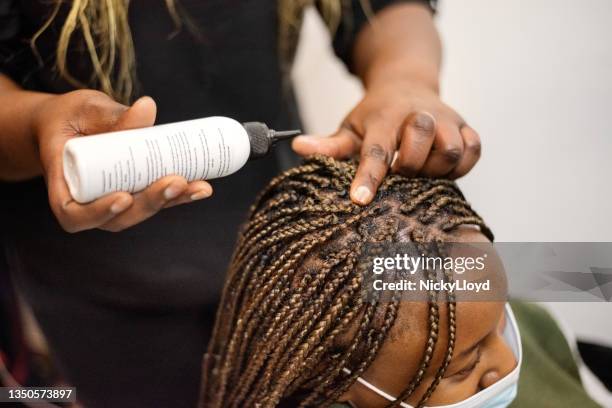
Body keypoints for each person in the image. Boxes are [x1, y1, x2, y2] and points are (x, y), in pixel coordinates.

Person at [0, 1, 481, 406]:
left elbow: (385, 8)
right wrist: (35, 125)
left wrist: (405, 77)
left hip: (288, 255)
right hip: (100, 286)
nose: (501, 370)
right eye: (474, 360)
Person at [200, 156, 600, 407]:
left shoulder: (536, 332)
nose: (509, 361)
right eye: (461, 369)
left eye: (500, 318)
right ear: (338, 385)